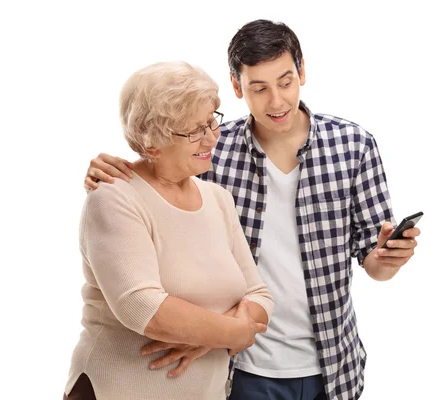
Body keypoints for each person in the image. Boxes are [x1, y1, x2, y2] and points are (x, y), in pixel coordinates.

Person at [83, 20, 421, 400]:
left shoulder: (353, 146)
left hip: (332, 363)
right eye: (258, 88)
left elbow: (374, 264)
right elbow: (159, 173)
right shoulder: (212, 148)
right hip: (240, 367)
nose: (276, 101)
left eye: (286, 81)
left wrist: (389, 257)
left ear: (302, 71)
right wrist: (108, 172)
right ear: (236, 85)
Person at [64, 60, 274, 400]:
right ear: (151, 144)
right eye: (194, 130)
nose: (211, 138)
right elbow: (140, 305)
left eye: (211, 122)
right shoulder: (114, 197)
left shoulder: (218, 199)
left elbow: (260, 295)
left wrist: (212, 336)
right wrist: (232, 333)